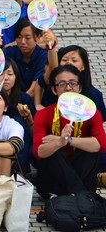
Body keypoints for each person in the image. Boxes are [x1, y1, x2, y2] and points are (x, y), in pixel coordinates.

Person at [33, 65, 106, 199]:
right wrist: (59, 142)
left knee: (89, 151)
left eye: (72, 83)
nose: (68, 88)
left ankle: (76, 194)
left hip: (81, 174)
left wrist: (68, 140)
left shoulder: (91, 112)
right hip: (52, 184)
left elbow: (101, 144)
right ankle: (81, 196)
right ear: (54, 90)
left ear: (80, 88)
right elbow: (38, 152)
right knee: (53, 150)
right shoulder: (43, 114)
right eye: (62, 84)